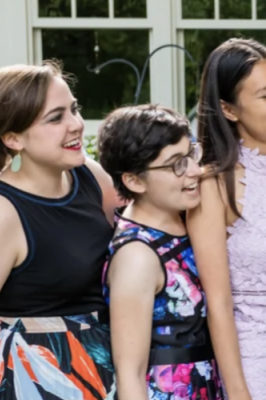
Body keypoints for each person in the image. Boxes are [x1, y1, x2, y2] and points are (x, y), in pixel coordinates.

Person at [0, 61, 120, 399]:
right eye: (56, 118)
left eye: (74, 109)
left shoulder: (91, 178)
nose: (76, 125)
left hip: (107, 370)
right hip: (35, 379)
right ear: (13, 138)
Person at [186, 38, 266, 400]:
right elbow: (218, 303)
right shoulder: (212, 183)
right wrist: (239, 391)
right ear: (229, 109)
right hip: (255, 361)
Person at [98, 104, 223, 399]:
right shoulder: (137, 255)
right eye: (176, 164)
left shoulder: (185, 218)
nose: (194, 170)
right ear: (134, 180)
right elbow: (130, 370)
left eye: (191, 153)